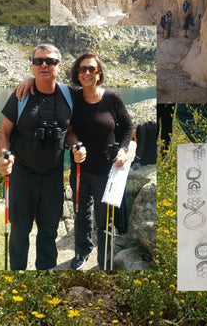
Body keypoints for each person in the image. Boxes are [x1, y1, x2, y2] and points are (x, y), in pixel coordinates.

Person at [0, 44, 82, 270]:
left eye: (50, 61)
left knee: (49, 232)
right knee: (19, 232)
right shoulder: (20, 95)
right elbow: (3, 132)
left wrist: (76, 146)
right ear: (32, 67)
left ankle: (46, 275)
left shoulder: (69, 95)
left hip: (53, 177)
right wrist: (3, 157)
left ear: (59, 66)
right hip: (23, 176)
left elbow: (70, 130)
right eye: (38, 61)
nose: (44, 65)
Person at [67, 52, 134, 270]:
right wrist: (75, 145)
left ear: (99, 73)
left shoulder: (112, 98)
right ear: (77, 74)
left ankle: (104, 260)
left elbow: (127, 126)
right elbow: (69, 130)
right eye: (82, 69)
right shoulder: (72, 97)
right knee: (81, 214)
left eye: (92, 69)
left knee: (104, 218)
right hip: (80, 168)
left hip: (106, 170)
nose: (87, 73)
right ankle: (82, 253)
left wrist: (123, 149)